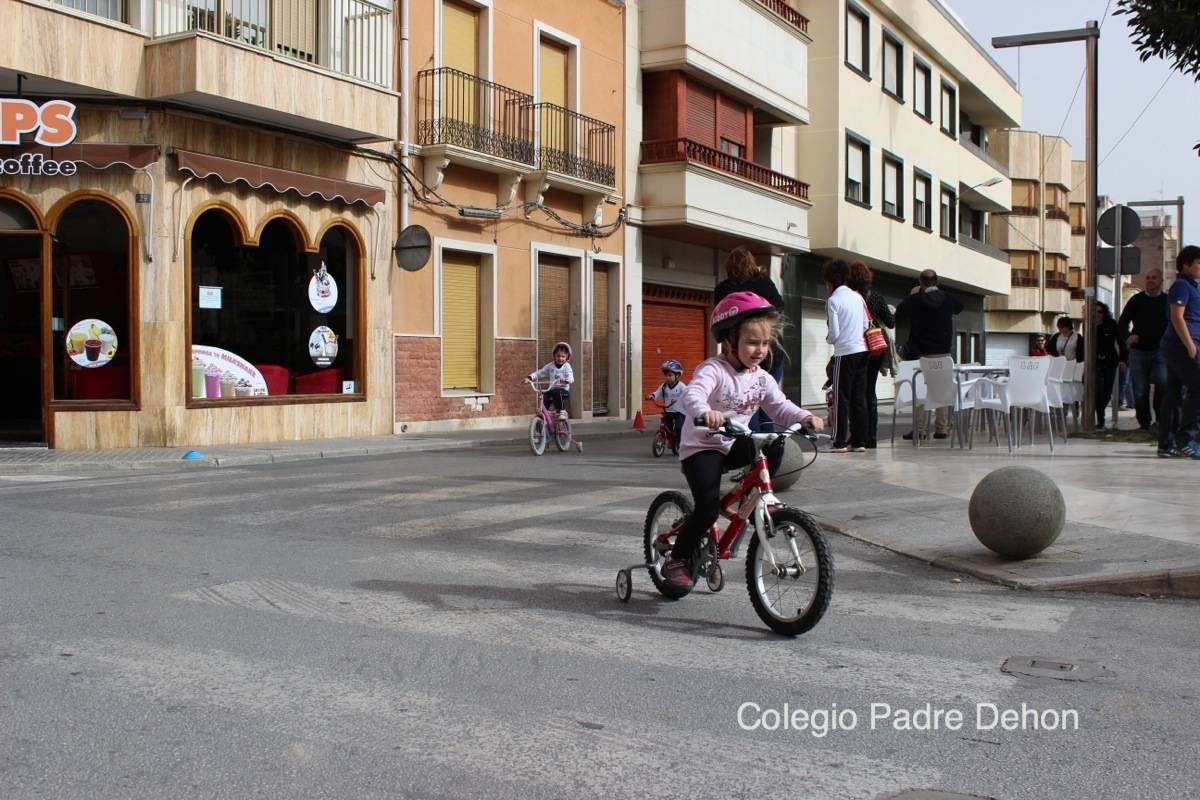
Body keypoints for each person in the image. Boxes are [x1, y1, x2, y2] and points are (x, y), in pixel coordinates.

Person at [658, 292, 823, 589]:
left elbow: (780, 406)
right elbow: (693, 394)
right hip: (702, 447)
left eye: (764, 343)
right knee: (707, 509)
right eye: (752, 342)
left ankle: (753, 496)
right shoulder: (714, 369)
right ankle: (677, 558)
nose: (760, 350)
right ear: (729, 341)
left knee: (775, 440)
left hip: (734, 442)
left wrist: (805, 417)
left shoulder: (761, 377)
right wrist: (705, 412)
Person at [714, 246, 786, 431]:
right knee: (768, 401)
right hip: (770, 353)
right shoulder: (763, 283)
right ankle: (767, 450)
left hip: (739, 353)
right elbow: (780, 308)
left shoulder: (723, 289)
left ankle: (749, 445)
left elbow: (720, 321)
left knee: (746, 403)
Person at [895, 268, 963, 440]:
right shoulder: (947, 298)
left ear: (920, 282)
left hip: (921, 355)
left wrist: (912, 295)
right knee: (943, 390)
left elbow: (898, 314)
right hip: (943, 354)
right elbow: (960, 307)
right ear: (937, 282)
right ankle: (942, 429)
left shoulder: (915, 300)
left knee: (919, 391)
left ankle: (920, 429)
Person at [1157, 245, 1200, 459]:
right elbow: (1177, 316)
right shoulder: (1181, 285)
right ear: (1186, 264)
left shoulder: (1191, 286)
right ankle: (1185, 439)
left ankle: (1166, 443)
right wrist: (1191, 346)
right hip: (1181, 347)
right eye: (1199, 263)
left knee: (1173, 394)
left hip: (1175, 346)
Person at [823, 259, 869, 453]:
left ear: (829, 281)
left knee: (841, 397)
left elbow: (835, 333)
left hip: (844, 353)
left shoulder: (833, 300)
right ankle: (859, 441)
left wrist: (828, 339)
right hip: (863, 351)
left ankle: (839, 441)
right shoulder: (858, 297)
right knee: (859, 397)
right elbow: (866, 324)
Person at [849, 261, 895, 449]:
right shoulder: (876, 297)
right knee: (870, 391)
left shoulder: (849, 297)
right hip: (875, 349)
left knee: (855, 393)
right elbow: (891, 322)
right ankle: (872, 437)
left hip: (856, 348)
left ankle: (857, 435)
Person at [1118, 267, 1170, 431]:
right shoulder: (1136, 300)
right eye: (1147, 277)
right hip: (1139, 351)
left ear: (1160, 280)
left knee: (1162, 383)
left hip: (1160, 351)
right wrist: (1127, 337)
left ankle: (1160, 421)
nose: (1150, 280)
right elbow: (1122, 323)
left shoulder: (1168, 301)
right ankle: (1144, 423)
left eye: (1154, 277)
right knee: (1140, 390)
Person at [1092, 301, 1127, 429]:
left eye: (1100, 312)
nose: (1097, 314)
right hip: (1095, 362)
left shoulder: (1111, 324)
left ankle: (1101, 415)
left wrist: (1123, 360)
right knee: (1097, 391)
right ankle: (1100, 419)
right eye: (1095, 312)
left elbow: (1121, 343)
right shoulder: (1089, 325)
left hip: (1110, 362)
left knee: (1106, 392)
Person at [646, 359, 687, 455]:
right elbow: (657, 393)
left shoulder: (681, 386)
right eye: (666, 375)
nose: (667, 378)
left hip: (679, 411)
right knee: (666, 426)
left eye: (670, 375)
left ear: (677, 376)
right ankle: (667, 439)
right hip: (668, 410)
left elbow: (688, 394)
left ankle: (680, 444)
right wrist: (652, 396)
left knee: (679, 428)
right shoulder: (664, 386)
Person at [526, 341, 573, 419]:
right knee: (544, 395)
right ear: (554, 356)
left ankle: (562, 411)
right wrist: (529, 378)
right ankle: (543, 416)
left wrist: (566, 380)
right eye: (558, 356)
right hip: (552, 389)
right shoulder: (550, 366)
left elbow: (571, 377)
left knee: (557, 392)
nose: (560, 358)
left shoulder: (567, 366)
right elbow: (540, 373)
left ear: (566, 357)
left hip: (563, 390)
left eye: (563, 356)